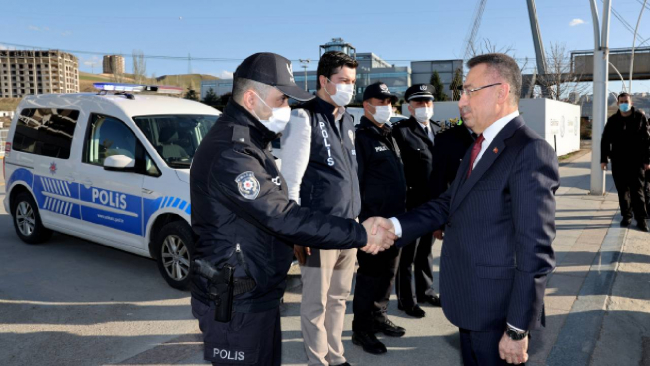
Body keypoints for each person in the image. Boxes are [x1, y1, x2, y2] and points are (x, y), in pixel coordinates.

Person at [189, 52, 395, 366]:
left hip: (256, 291)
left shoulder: (252, 140)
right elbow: (282, 213)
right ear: (250, 97)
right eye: (281, 98)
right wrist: (358, 232)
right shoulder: (232, 151)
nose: (286, 107)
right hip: (237, 300)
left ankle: (333, 355)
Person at [369, 53, 560, 365]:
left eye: (471, 91)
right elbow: (449, 202)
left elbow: (535, 249)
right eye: (462, 92)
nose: (461, 102)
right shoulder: (480, 145)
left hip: (498, 313)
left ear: (501, 92)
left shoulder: (529, 150)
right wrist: (395, 226)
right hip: (471, 303)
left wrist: (516, 328)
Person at [280, 50, 360, 366]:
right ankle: (318, 361)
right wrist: (299, 231)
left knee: (339, 299)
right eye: (343, 80)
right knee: (316, 303)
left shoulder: (348, 119)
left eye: (353, 81)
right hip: (318, 229)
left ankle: (336, 357)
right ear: (324, 81)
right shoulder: (302, 117)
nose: (349, 87)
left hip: (348, 227)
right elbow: (291, 181)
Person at [351, 82, 408, 355]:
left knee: (388, 273)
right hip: (373, 224)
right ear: (367, 104)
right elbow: (356, 182)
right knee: (369, 276)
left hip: (394, 222)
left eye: (389, 102)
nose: (386, 106)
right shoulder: (361, 137)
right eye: (380, 101)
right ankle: (361, 329)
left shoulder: (389, 134)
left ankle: (378, 316)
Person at [392, 83, 441, 318]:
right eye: (419, 103)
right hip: (411, 203)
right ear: (409, 107)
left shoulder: (438, 129)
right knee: (407, 255)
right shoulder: (401, 131)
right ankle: (407, 299)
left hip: (433, 204)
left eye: (428, 102)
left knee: (426, 251)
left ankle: (426, 291)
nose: (424, 106)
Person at [601, 92, 650, 232]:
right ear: (617, 103)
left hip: (637, 162)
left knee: (637, 191)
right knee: (622, 192)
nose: (624, 104)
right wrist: (603, 159)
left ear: (631, 103)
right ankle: (626, 216)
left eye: (626, 101)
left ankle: (641, 219)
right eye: (621, 101)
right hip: (619, 162)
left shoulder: (640, 118)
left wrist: (647, 160)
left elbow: (647, 141)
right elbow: (605, 141)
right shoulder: (613, 121)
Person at [429, 121, 477, 240]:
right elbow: (438, 181)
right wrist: (437, 222)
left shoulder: (494, 135)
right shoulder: (447, 139)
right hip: (459, 216)